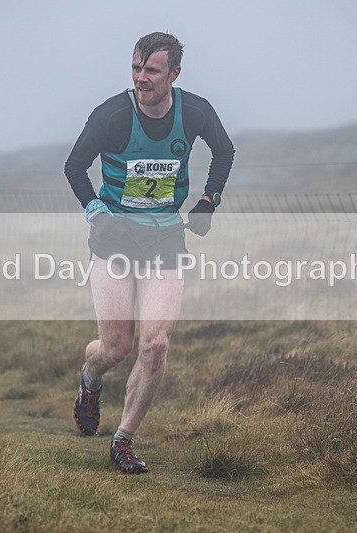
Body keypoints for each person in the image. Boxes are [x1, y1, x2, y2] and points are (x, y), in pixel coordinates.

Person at [64, 32, 235, 474]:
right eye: (136, 68)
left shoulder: (194, 111)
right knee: (116, 348)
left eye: (152, 70)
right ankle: (90, 378)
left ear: (174, 74)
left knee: (156, 344)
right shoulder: (111, 115)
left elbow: (224, 151)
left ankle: (123, 439)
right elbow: (73, 167)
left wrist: (208, 201)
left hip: (164, 237)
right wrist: (96, 212)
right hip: (114, 238)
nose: (141, 78)